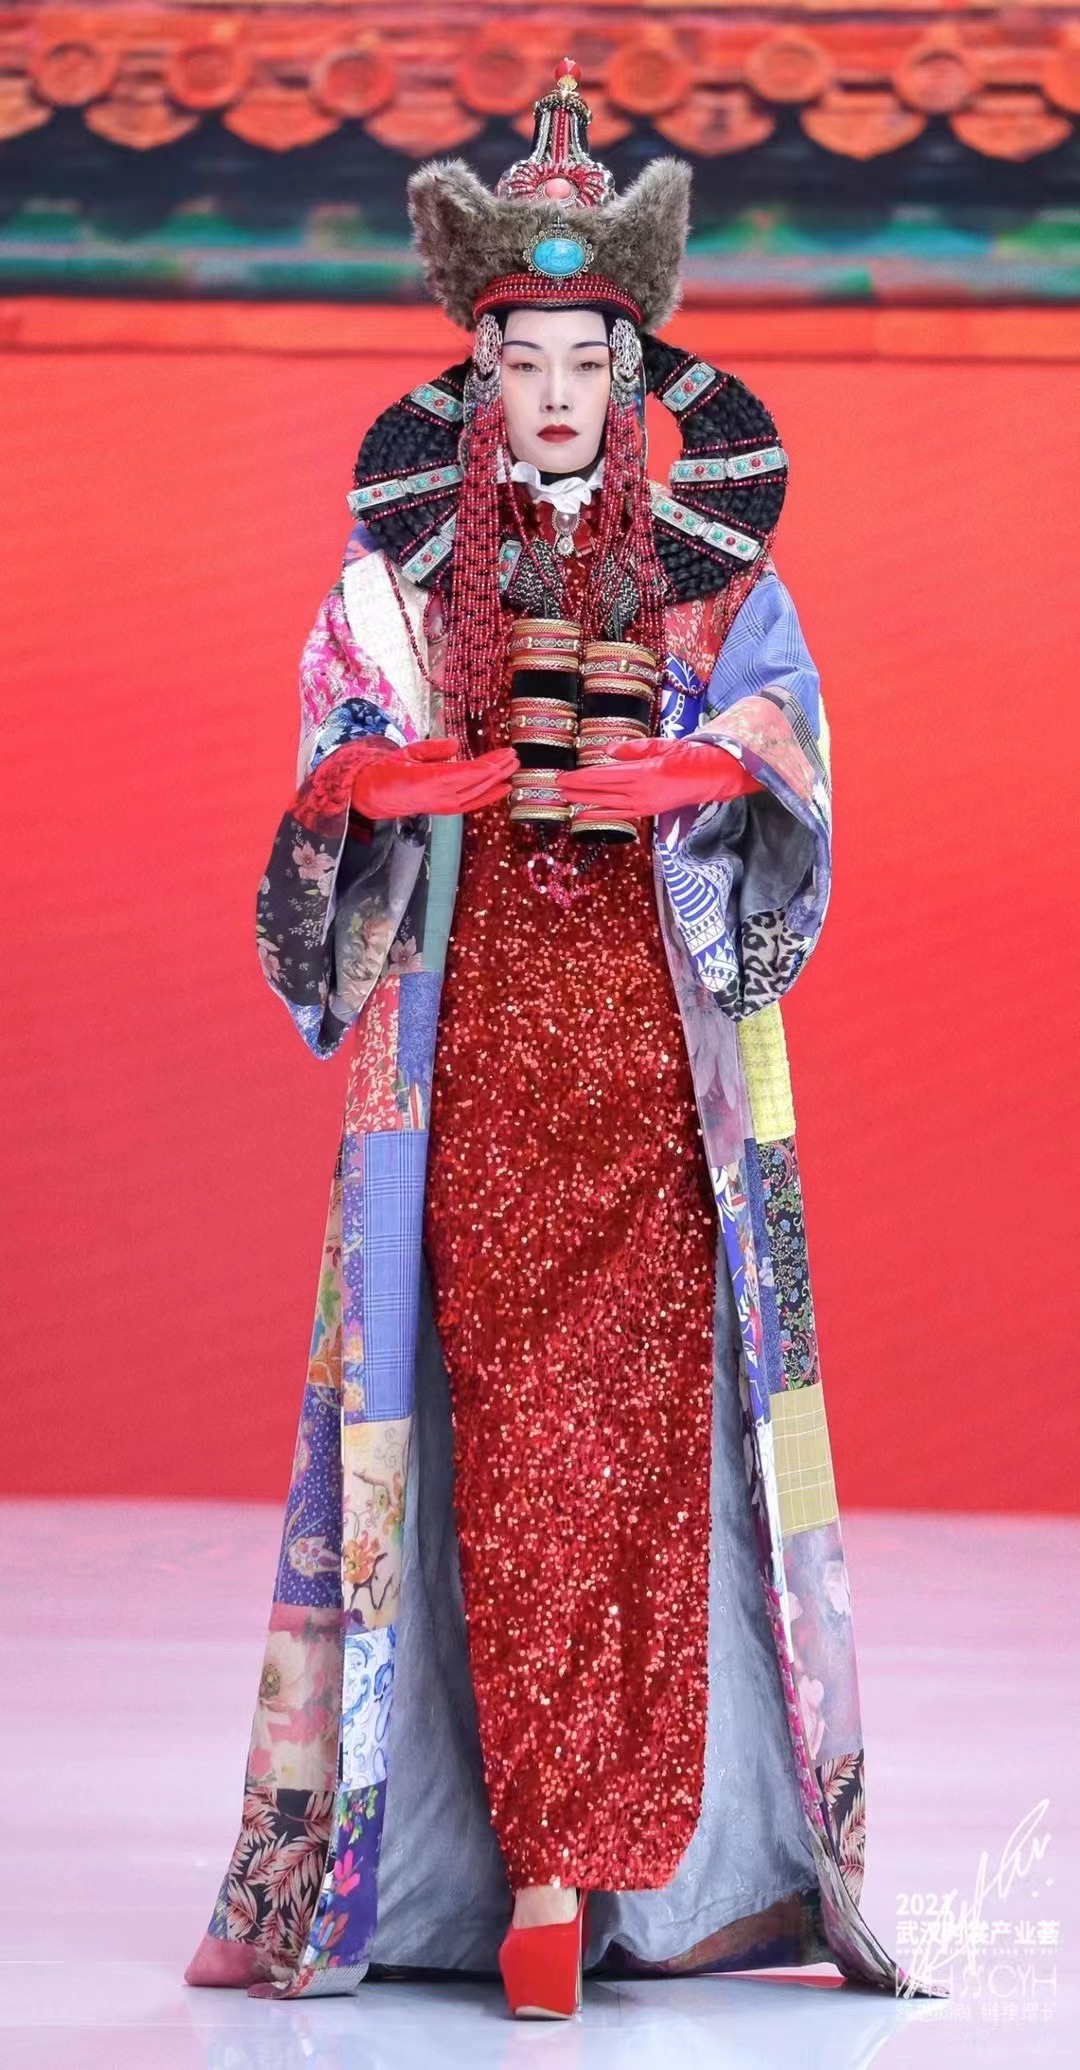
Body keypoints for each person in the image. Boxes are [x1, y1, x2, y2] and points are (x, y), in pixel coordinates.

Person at [184, 59, 941, 2017]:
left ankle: (625, 1865)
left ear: (631, 377)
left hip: (657, 1087)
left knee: (649, 1464)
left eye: (584, 360)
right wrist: (387, 784)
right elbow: (333, 759)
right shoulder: (399, 587)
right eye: (518, 358)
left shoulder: (717, 584)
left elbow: (790, 743)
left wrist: (705, 766)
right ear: (476, 367)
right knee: (510, 1453)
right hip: (479, 1078)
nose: (549, 392)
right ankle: (530, 1859)